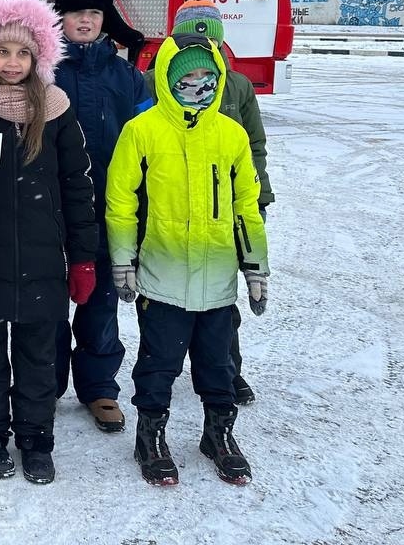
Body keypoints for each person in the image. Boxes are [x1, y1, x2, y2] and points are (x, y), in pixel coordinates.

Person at [0, 0, 97, 485]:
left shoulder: (56, 109)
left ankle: (36, 439)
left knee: (37, 356)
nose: (12, 62)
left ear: (39, 56)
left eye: (23, 53)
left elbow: (77, 185)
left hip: (43, 258)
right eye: (3, 52)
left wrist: (83, 258)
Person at [105, 34, 269, 486]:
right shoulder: (143, 130)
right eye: (187, 76)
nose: (198, 83)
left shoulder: (230, 134)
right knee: (159, 364)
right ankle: (150, 436)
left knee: (218, 365)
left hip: (217, 281)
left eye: (206, 75)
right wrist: (123, 260)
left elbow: (246, 207)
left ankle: (219, 434)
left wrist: (255, 268)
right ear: (168, 78)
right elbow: (121, 202)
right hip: (163, 278)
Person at [143, 0, 275, 405]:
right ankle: (163, 367)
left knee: (221, 297)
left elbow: (254, 145)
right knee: (163, 299)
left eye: (212, 37)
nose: (205, 45)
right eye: (195, 36)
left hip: (224, 208)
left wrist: (258, 197)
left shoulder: (236, 86)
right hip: (171, 207)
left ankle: (226, 369)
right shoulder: (154, 81)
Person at [51, 0, 150, 433]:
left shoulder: (127, 76)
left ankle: (100, 388)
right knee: (48, 301)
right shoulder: (43, 71)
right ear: (61, 18)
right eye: (76, 13)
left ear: (104, 19)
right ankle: (44, 385)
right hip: (50, 208)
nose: (85, 21)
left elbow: (147, 145)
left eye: (93, 13)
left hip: (109, 210)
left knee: (101, 302)